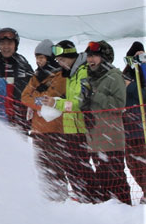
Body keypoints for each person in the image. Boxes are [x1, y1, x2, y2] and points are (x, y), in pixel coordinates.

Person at [81, 40, 130, 204]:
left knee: (115, 180)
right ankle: (108, 214)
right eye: (89, 56)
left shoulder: (114, 76)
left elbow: (119, 104)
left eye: (95, 55)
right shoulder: (90, 76)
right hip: (95, 138)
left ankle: (124, 210)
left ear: (105, 58)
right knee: (102, 180)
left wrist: (95, 94)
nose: (90, 60)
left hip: (111, 138)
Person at [20, 40, 69, 201]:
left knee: (56, 164)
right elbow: (25, 97)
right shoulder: (36, 75)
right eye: (37, 57)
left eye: (42, 57)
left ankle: (60, 196)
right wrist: (40, 101)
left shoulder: (61, 75)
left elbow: (53, 97)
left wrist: (37, 100)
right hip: (38, 129)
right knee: (42, 166)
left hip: (55, 128)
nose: (39, 61)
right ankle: (48, 196)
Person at [45, 40, 94, 203]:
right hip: (70, 127)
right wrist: (47, 102)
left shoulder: (82, 72)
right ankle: (82, 195)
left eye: (62, 60)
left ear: (71, 56)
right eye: (58, 61)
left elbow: (79, 102)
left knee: (80, 165)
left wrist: (57, 103)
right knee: (72, 164)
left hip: (80, 127)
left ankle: (89, 196)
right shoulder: (71, 73)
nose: (60, 64)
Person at [0, 27, 33, 129]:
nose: (6, 47)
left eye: (9, 44)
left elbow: (33, 85)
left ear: (15, 45)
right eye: (3, 44)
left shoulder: (22, 63)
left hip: (20, 115)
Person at [122, 41, 146, 197]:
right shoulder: (123, 76)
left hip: (142, 128)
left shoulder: (143, 73)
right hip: (128, 128)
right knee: (132, 163)